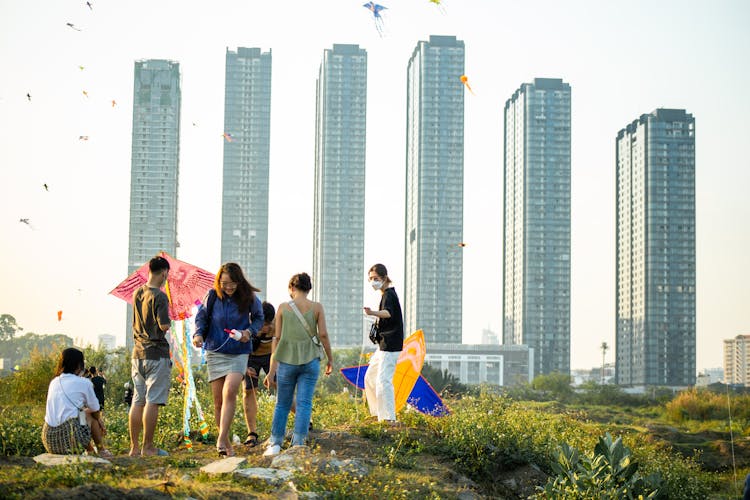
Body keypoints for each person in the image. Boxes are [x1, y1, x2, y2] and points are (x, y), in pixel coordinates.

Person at [193, 262, 263, 457]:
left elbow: (259, 317)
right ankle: (227, 445)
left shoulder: (248, 297)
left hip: (239, 351)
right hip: (215, 350)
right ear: (218, 282)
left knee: (230, 391)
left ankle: (221, 439)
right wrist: (198, 335)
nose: (229, 287)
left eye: (232, 283)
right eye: (224, 283)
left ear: (239, 281)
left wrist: (249, 331)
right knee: (218, 402)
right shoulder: (213, 295)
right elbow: (202, 317)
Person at [263, 273, 333, 457]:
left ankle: (275, 443)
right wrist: (330, 359)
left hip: (286, 362)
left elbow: (276, 340)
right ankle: (298, 443)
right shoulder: (317, 307)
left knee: (282, 404)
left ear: (291, 288)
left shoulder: (282, 308)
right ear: (309, 289)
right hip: (310, 362)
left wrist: (271, 372)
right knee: (304, 403)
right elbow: (323, 335)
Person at [129, 255, 172, 457]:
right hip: (156, 353)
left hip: (137, 353)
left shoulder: (137, 292)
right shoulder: (161, 296)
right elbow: (163, 325)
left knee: (138, 400)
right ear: (164, 272)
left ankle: (134, 448)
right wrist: (169, 320)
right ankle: (148, 447)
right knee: (152, 401)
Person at [42, 347, 112, 458]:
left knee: (80, 413)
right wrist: (99, 420)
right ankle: (101, 450)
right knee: (88, 415)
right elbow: (95, 409)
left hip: (49, 441)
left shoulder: (54, 382)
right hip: (70, 440)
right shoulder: (84, 382)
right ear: (79, 365)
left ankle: (90, 450)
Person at [363, 263, 404, 423]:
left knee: (383, 380)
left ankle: (388, 417)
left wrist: (372, 312)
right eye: (371, 279)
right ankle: (377, 413)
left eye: (376, 278)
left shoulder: (389, 295)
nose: (373, 282)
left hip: (391, 345)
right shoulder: (385, 295)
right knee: (370, 377)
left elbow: (388, 313)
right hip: (383, 345)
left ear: (384, 278)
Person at [242, 301, 276, 447]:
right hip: (250, 357)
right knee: (249, 391)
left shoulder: (277, 324)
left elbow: (279, 348)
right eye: (263, 323)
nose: (266, 327)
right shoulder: (246, 323)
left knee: (282, 386)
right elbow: (238, 346)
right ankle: (252, 433)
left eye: (268, 324)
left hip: (271, 356)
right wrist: (244, 367)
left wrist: (272, 371)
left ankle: (304, 420)